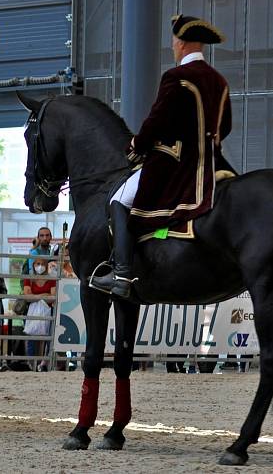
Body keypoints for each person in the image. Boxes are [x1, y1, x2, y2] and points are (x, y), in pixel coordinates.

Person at [92, 15, 233, 300]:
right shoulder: (219, 80)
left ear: (180, 43)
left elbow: (157, 121)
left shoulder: (176, 77)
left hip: (177, 164)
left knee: (119, 200)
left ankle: (121, 274)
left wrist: (137, 144)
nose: (173, 46)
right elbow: (225, 125)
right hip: (215, 164)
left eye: (173, 41)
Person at [23, 257, 56, 372]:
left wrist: (35, 296)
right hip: (32, 311)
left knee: (48, 338)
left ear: (46, 266)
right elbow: (27, 297)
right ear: (33, 265)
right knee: (31, 337)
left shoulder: (52, 279)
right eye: (37, 264)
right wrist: (44, 295)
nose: (40, 266)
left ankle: (44, 364)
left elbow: (53, 298)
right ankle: (31, 364)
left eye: (42, 264)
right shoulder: (29, 279)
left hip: (47, 311)